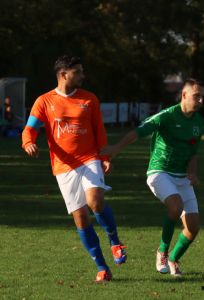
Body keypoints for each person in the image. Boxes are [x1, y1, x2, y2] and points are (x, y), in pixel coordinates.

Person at [21, 55, 127, 282]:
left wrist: (105, 156)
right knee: (81, 219)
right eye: (78, 71)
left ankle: (115, 241)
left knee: (95, 201)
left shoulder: (89, 99)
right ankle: (102, 268)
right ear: (63, 74)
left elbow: (100, 132)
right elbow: (29, 128)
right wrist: (28, 142)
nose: (82, 75)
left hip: (89, 158)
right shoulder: (44, 101)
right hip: (63, 167)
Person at [101, 78, 204, 277]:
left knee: (193, 228)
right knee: (176, 207)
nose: (200, 100)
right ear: (184, 95)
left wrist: (192, 173)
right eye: (196, 96)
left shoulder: (198, 123)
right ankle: (162, 252)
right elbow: (137, 133)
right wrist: (115, 148)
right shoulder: (166, 116)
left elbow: (193, 152)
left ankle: (174, 258)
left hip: (182, 177)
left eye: (202, 96)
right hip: (160, 172)